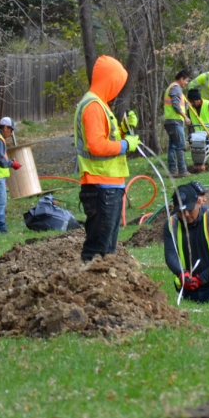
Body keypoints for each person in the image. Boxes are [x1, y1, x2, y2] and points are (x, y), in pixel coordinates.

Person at [73, 55, 139, 262]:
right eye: (117, 83)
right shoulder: (93, 106)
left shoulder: (100, 105)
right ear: (109, 80)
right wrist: (126, 145)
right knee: (98, 251)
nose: (118, 88)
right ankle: (89, 289)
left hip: (109, 186)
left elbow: (105, 138)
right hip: (101, 187)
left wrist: (123, 130)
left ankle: (102, 289)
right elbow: (96, 145)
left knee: (107, 251)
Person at [163, 70, 192, 178]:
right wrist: (185, 117)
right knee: (180, 145)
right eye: (186, 81)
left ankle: (172, 171)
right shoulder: (176, 88)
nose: (186, 83)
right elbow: (175, 105)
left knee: (172, 146)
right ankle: (182, 170)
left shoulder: (171, 87)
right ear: (181, 79)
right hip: (175, 121)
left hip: (170, 121)